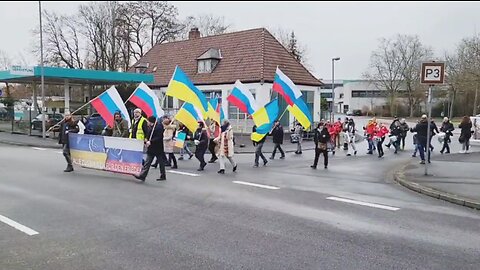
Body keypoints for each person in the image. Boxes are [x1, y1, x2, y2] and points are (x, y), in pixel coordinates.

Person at [135, 116, 166, 181]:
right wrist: (146, 139)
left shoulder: (158, 127)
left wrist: (151, 141)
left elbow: (159, 137)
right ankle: (142, 175)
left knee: (161, 163)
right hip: (151, 148)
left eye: (148, 121)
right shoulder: (150, 127)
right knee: (147, 162)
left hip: (158, 148)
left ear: (151, 121)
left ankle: (163, 175)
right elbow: (149, 134)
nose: (147, 122)